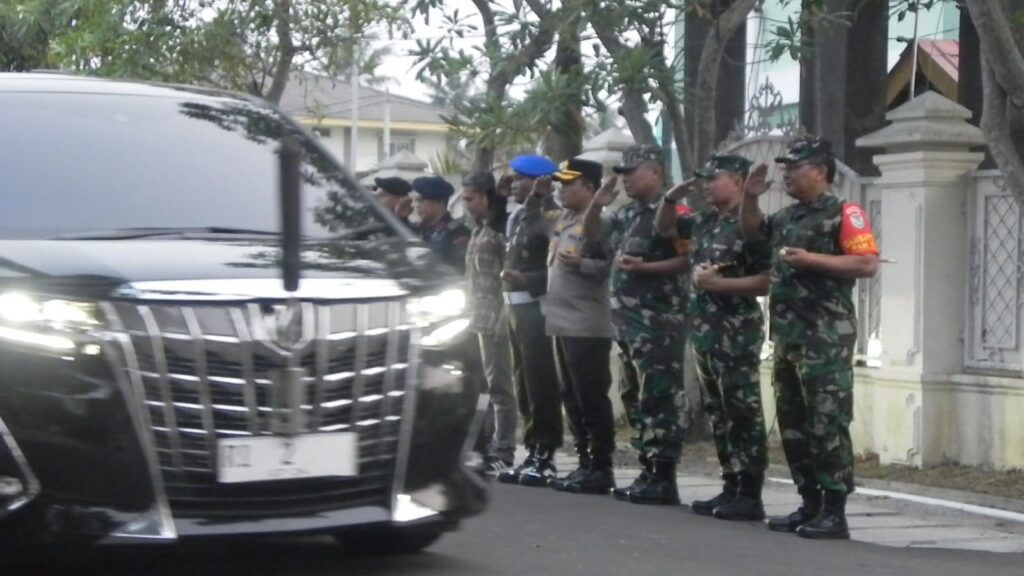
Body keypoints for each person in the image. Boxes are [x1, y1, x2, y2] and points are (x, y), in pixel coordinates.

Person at [740, 136, 880, 540]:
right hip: (788, 337)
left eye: (794, 168)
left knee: (827, 422)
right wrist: (750, 198)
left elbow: (866, 263)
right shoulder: (786, 218)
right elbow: (753, 234)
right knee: (793, 424)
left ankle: (834, 511)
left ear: (820, 171)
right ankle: (809, 502)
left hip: (825, 337)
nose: (786, 175)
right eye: (784, 168)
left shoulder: (844, 213)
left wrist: (812, 259)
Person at [654, 154, 771, 521]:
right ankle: (731, 485)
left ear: (738, 181)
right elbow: (664, 230)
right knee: (718, 413)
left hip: (736, 330)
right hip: (705, 330)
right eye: (702, 179)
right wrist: (671, 199)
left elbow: (769, 279)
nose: (705, 185)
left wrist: (719, 284)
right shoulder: (705, 222)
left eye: (713, 178)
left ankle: (750, 492)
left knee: (742, 412)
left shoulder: (751, 226)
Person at [582, 145, 689, 505]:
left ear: (656, 172)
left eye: (633, 171)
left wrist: (645, 269)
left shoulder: (674, 211)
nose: (626, 177)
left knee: (659, 398)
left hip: (658, 323)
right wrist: (597, 204)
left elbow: (686, 260)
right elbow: (592, 235)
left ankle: (663, 475)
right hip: (627, 326)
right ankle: (647, 469)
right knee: (635, 397)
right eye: (623, 172)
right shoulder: (628, 213)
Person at [542, 158, 616, 495]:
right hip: (561, 323)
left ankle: (601, 467)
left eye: (568, 184)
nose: (561, 189)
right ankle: (585, 462)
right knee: (570, 396)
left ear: (590, 188)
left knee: (591, 398)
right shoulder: (563, 220)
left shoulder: (600, 222)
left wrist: (583, 263)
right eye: (560, 184)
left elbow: (607, 266)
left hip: (586, 325)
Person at [495, 154, 564, 488]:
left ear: (540, 182)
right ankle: (533, 448)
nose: (513, 184)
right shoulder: (517, 216)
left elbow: (552, 266)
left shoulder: (552, 216)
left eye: (520, 179)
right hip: (514, 307)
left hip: (536, 307)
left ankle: (545, 452)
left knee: (540, 382)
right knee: (523, 383)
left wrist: (528, 280)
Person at [461, 171, 517, 474]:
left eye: (471, 199)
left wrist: (503, 314)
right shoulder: (479, 229)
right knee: (478, 386)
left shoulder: (499, 229)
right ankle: (481, 446)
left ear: (485, 196)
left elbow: (508, 273)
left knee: (499, 386)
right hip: (474, 317)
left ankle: (503, 450)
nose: (467, 204)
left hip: (495, 317)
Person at [411, 176, 471, 274]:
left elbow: (459, 269)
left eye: (422, 200)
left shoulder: (457, 232)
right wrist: (401, 217)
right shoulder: (416, 229)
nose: (418, 205)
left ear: (440, 202)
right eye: (417, 201)